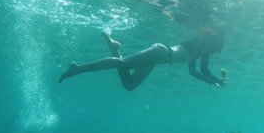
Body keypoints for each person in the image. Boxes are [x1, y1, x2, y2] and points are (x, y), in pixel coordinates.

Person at [58, 28, 227, 90]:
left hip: (160, 58)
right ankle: (77, 68)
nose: (218, 52)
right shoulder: (201, 45)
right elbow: (193, 70)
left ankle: (114, 48)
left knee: (130, 84)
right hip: (161, 52)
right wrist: (212, 81)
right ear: (214, 43)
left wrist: (216, 80)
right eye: (218, 48)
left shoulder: (204, 51)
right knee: (123, 64)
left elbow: (204, 69)